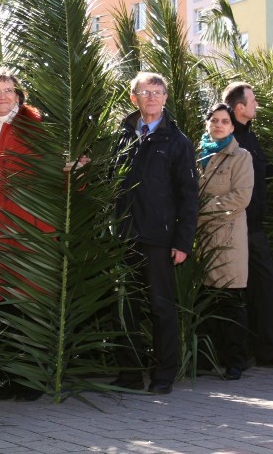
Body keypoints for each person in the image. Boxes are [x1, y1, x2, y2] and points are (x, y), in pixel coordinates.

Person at [110, 72, 198, 395]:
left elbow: (189, 195)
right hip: (124, 236)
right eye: (145, 92)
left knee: (161, 307)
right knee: (126, 307)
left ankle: (163, 375)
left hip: (160, 239)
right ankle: (129, 372)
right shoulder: (121, 136)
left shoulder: (177, 141)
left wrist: (182, 241)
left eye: (158, 92)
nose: (151, 97)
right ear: (134, 98)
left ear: (165, 99)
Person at [0, 66, 51, 401]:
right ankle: (7, 376)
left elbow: (52, 177)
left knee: (26, 304)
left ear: (19, 96)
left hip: (25, 231)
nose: (2, 97)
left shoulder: (35, 128)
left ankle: (30, 381)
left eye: (8, 91)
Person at [222, 82, 273, 368]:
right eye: (253, 101)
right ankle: (236, 354)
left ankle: (266, 351)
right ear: (240, 107)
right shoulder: (227, 139)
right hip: (233, 227)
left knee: (264, 288)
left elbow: (262, 172)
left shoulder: (251, 138)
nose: (257, 106)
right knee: (233, 291)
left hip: (254, 228)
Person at [197, 103, 254, 380]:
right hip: (200, 239)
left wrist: (200, 208)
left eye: (225, 121)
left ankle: (235, 361)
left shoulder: (241, 156)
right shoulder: (196, 157)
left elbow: (241, 198)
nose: (219, 125)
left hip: (228, 239)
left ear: (232, 127)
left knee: (230, 300)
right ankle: (206, 359)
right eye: (214, 121)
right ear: (208, 125)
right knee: (206, 301)